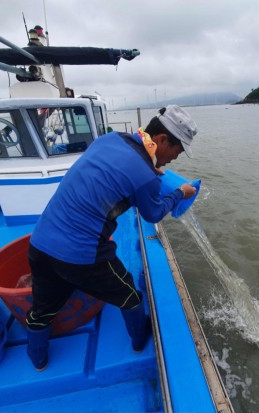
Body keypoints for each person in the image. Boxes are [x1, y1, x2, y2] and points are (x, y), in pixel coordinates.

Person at [25, 105, 198, 371]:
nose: (176, 157)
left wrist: (152, 171)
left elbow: (117, 171)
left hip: (40, 243)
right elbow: (153, 214)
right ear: (163, 140)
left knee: (42, 309)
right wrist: (179, 194)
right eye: (178, 150)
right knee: (130, 296)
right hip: (82, 254)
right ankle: (140, 341)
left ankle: (37, 360)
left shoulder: (110, 139)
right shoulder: (145, 177)